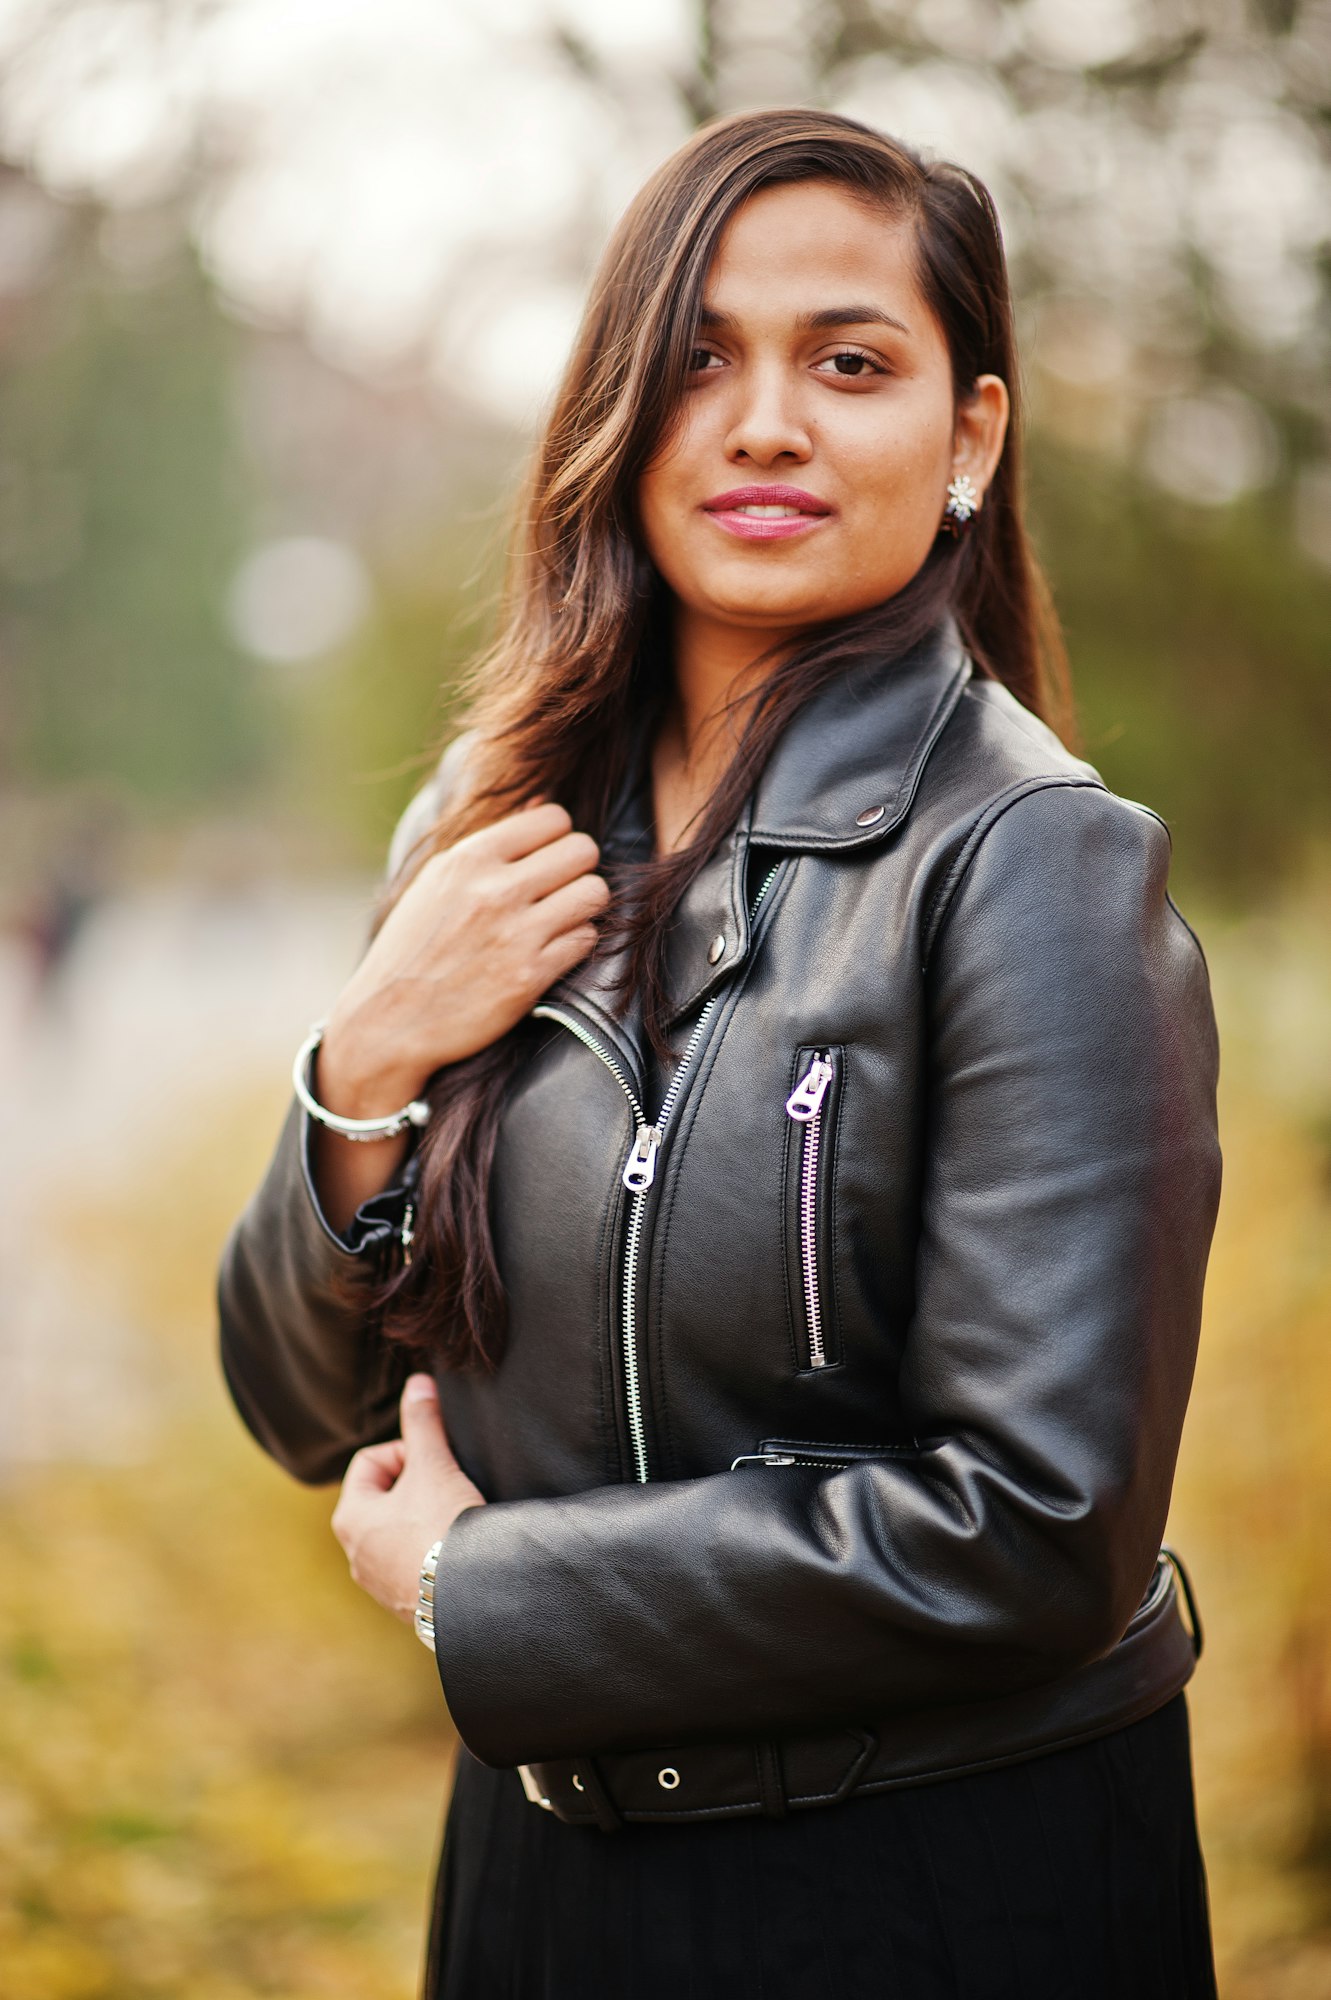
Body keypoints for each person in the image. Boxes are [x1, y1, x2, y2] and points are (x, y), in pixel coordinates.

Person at [217, 109, 1223, 1998]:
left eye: (849, 362)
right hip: (538, 1884)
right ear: (618, 415)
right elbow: (301, 1415)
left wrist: (477, 1589)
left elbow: (1037, 1530)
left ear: (971, 441)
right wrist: (364, 1063)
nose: (766, 423)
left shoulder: (1035, 869)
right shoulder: (486, 833)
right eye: (698, 361)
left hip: (940, 1893)